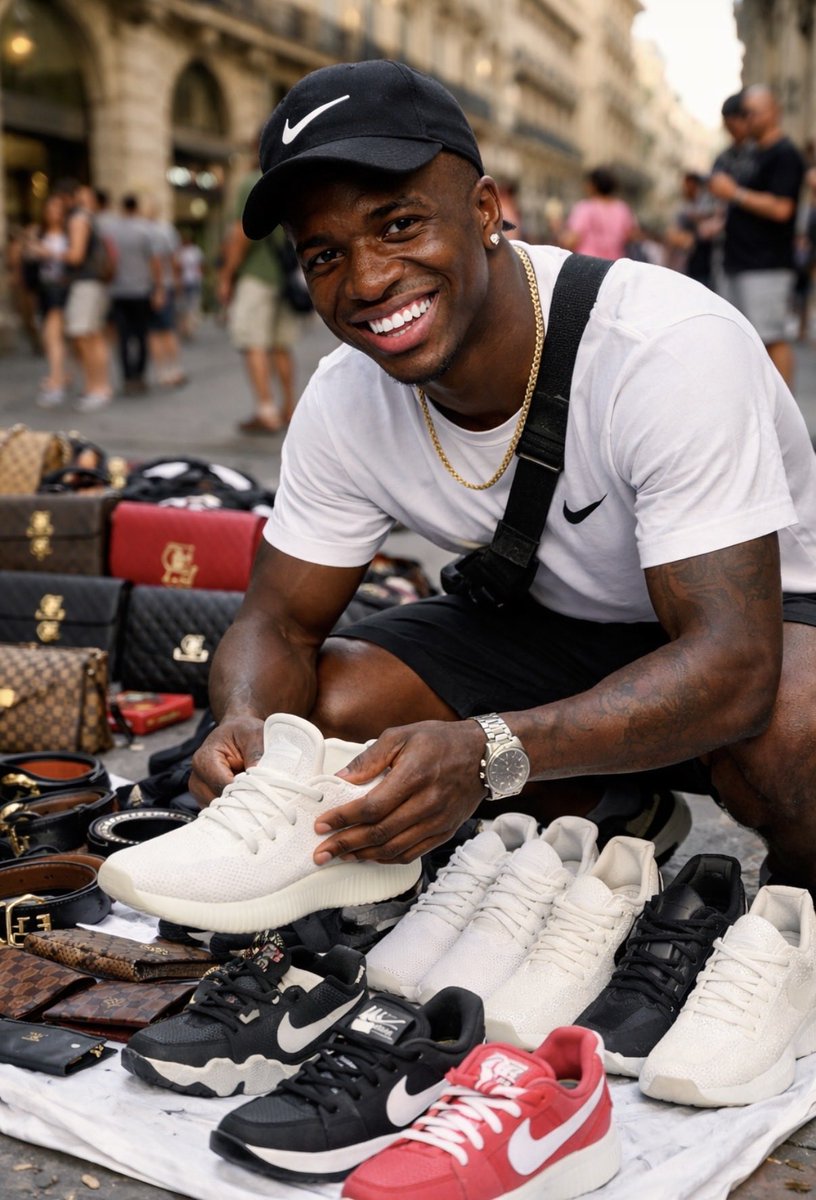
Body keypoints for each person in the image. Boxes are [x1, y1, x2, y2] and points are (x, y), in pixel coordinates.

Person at [191, 60, 816, 897]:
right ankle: (609, 809)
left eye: (400, 225)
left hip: (754, 624)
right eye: (326, 255)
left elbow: (732, 666)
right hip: (556, 625)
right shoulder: (343, 398)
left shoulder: (665, 346)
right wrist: (244, 723)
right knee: (327, 711)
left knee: (792, 734)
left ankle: (795, 912)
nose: (369, 281)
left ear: (485, 211)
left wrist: (487, 751)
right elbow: (275, 623)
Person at [709, 84, 806, 387]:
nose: (746, 119)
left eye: (752, 113)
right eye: (744, 113)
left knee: (771, 337)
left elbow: (781, 209)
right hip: (739, 260)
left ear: (773, 112)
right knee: (746, 337)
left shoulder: (785, 154)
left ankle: (784, 419)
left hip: (767, 263)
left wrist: (734, 193)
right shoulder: (751, 154)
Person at [218, 158, 302, 433]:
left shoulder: (250, 181)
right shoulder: (290, 179)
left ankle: (265, 410)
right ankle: (289, 408)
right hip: (285, 277)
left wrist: (226, 276)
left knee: (253, 341)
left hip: (257, 274)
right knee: (281, 345)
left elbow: (241, 233)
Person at [54, 179, 113, 411]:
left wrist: (49, 252)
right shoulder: (88, 217)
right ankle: (98, 386)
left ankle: (97, 387)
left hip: (86, 284)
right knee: (93, 336)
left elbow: (76, 255)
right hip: (93, 284)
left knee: (84, 336)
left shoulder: (78, 219)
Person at [106, 195, 163, 395]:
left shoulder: (112, 230)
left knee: (123, 337)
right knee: (141, 335)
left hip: (118, 290)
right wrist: (158, 287)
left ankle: (127, 377)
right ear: (136, 207)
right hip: (141, 290)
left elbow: (108, 259)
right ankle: (139, 376)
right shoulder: (145, 230)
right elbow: (154, 261)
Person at [143, 198, 186, 388]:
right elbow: (175, 259)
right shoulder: (163, 230)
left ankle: (167, 370)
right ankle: (168, 369)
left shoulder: (157, 230)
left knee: (159, 330)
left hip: (153, 286)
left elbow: (173, 259)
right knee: (161, 330)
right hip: (156, 286)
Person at [31, 194, 70, 407]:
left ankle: (57, 383)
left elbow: (74, 258)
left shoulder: (70, 233)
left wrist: (50, 253)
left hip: (61, 288)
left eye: (58, 208)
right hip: (44, 289)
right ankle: (60, 376)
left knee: (52, 335)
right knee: (51, 337)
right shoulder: (41, 232)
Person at [559, 167, 638, 261]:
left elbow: (571, 240)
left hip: (587, 265)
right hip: (613, 267)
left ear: (593, 186)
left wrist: (557, 227)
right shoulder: (622, 209)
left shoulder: (586, 208)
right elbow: (631, 235)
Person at [664, 172, 716, 289]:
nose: (685, 188)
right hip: (688, 262)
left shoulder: (707, 203)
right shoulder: (685, 206)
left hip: (704, 260)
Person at [178, 230, 205, 340]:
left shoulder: (194, 251)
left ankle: (189, 327)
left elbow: (200, 265)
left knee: (192, 304)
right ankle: (185, 327)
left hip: (193, 280)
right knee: (185, 305)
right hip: (185, 281)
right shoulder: (181, 251)